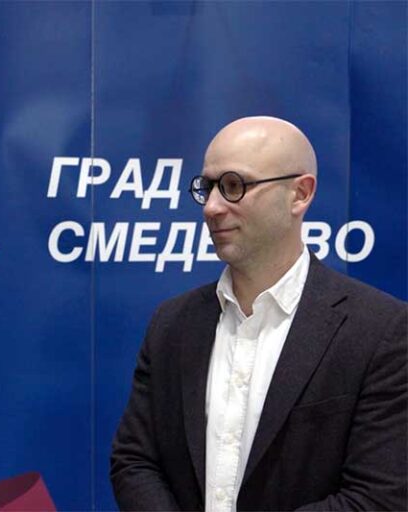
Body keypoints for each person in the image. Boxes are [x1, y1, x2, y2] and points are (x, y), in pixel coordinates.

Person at [110, 116, 407, 511]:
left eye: (234, 186)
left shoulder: (380, 330)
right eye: (207, 187)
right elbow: (135, 461)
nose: (212, 207)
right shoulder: (173, 324)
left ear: (300, 194)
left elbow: (378, 496)